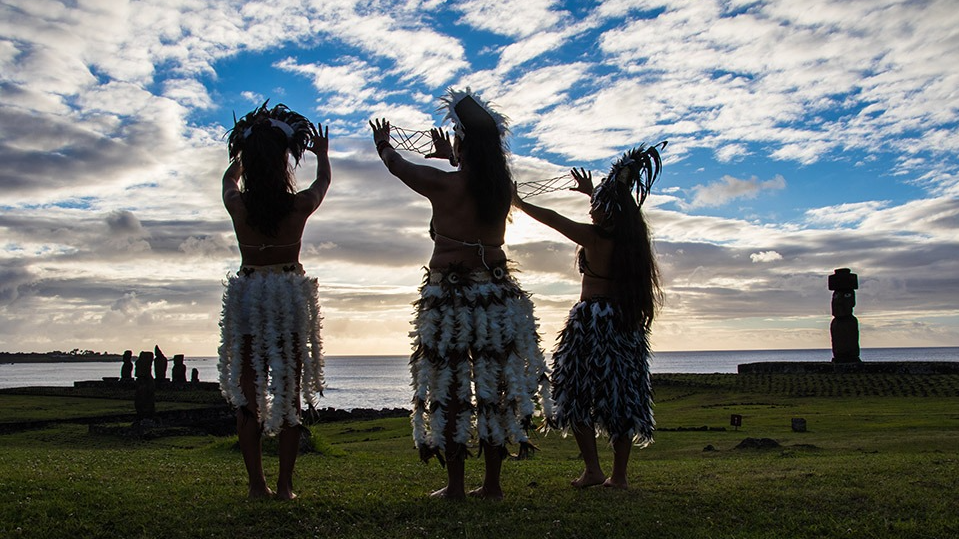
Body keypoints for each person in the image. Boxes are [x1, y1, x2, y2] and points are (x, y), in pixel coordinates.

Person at [370, 88, 550, 500]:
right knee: (493, 388)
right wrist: (453, 154)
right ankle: (491, 485)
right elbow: (476, 175)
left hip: (449, 299)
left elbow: (398, 165)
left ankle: (454, 485)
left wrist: (383, 142)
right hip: (496, 297)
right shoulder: (500, 190)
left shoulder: (442, 184)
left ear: (463, 145)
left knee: (451, 388)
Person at [512, 144, 665, 489]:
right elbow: (614, 206)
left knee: (574, 393)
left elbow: (554, 220)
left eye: (597, 206)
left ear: (607, 212)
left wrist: (519, 203)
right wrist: (592, 191)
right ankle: (619, 476)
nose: (592, 210)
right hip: (625, 324)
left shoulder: (595, 237)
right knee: (622, 396)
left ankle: (594, 470)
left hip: (592, 322)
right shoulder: (632, 242)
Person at [217, 101, 330, 500]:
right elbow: (321, 187)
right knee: (288, 392)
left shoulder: (238, 205)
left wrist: (241, 160)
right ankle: (284, 486)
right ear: (284, 161)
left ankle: (256, 485)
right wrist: (323, 157)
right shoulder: (297, 206)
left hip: (249, 294)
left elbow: (228, 181)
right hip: (286, 294)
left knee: (248, 392)